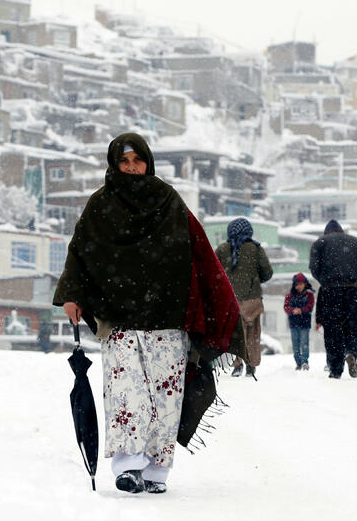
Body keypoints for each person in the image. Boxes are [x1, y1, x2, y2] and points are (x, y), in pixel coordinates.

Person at [53, 132, 245, 495]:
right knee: (126, 393)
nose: (131, 168)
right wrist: (71, 294)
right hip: (119, 316)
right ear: (114, 164)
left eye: (136, 161)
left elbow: (200, 251)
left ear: (147, 162)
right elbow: (80, 251)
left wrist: (218, 303)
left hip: (168, 316)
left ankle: (157, 470)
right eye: (124, 162)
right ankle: (127, 466)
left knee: (164, 395)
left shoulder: (168, 201)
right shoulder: (101, 205)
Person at [309, 219, 357, 379]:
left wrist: (325, 281)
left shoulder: (320, 243)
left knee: (333, 328)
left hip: (331, 289)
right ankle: (352, 352)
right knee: (353, 324)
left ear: (327, 232)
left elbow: (314, 267)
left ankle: (335, 369)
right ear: (341, 230)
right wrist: (354, 281)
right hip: (353, 289)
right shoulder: (356, 242)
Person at [216, 217, 273, 377]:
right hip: (252, 299)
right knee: (253, 334)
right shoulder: (255, 248)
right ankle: (251, 365)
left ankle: (236, 364)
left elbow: (213, 273)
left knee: (234, 334)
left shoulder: (222, 249)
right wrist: (254, 279)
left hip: (230, 300)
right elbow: (267, 272)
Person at [284, 272, 315, 370]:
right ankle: (298, 363)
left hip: (305, 324)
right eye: (297, 284)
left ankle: (304, 362)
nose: (299, 286)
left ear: (305, 283)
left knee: (304, 343)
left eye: (301, 284)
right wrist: (292, 311)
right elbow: (286, 307)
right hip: (293, 324)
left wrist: (301, 310)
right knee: (295, 345)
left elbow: (310, 306)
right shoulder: (289, 296)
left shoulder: (309, 295)